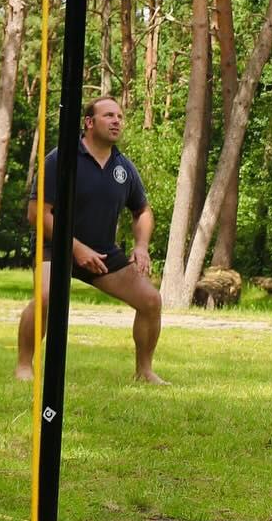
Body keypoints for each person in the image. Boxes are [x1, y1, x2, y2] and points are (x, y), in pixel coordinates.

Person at [16, 95, 165, 386]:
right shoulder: (61, 159)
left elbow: (143, 211)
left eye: (120, 117)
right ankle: (24, 365)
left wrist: (141, 246)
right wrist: (75, 247)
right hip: (54, 248)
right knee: (46, 298)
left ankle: (144, 371)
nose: (116, 121)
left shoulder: (124, 168)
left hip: (102, 253)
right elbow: (37, 214)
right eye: (109, 115)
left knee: (150, 300)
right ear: (88, 122)